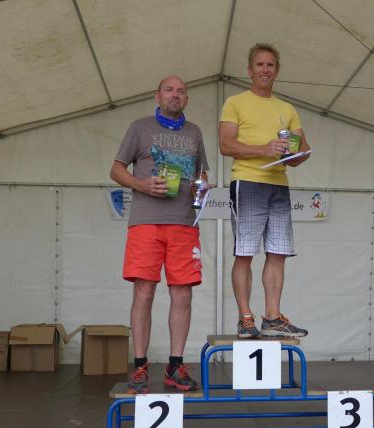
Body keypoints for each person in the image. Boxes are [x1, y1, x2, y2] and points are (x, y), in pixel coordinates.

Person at [109, 75, 209, 394]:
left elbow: (202, 174)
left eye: (181, 91)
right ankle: (140, 367)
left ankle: (175, 366)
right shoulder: (139, 128)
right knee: (144, 292)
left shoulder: (195, 132)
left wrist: (202, 187)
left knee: (183, 294)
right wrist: (141, 184)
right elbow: (116, 169)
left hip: (184, 223)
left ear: (186, 98)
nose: (175, 95)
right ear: (157, 96)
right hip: (146, 222)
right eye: (169, 90)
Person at [219, 43, 311, 339]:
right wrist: (264, 149)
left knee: (278, 253)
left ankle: (272, 317)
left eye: (270, 65)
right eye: (260, 64)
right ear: (250, 70)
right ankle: (245, 318)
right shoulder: (235, 102)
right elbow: (225, 145)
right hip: (248, 182)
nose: (265, 69)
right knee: (245, 253)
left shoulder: (287, 109)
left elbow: (303, 148)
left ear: (277, 71)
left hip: (279, 184)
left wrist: (295, 155)